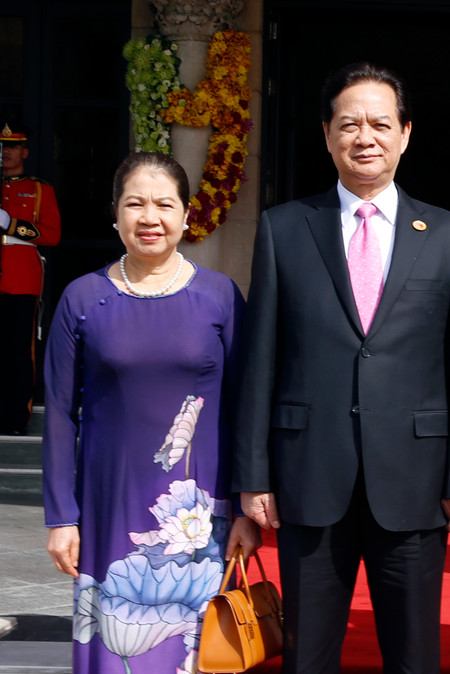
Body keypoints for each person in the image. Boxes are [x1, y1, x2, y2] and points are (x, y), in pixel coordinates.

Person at [233, 62, 450, 674]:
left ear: (406, 133)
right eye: (349, 124)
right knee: (307, 653)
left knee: (412, 653)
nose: (365, 137)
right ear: (326, 134)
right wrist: (252, 474)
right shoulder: (283, 229)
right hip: (307, 476)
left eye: (380, 123)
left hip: (414, 481)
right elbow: (260, 359)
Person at [42, 152, 260, 673]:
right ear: (115, 214)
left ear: (186, 216)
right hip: (106, 506)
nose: (150, 217)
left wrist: (246, 510)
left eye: (165, 204)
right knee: (116, 648)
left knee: (197, 653)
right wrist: (60, 516)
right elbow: (55, 411)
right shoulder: (83, 297)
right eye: (135, 203)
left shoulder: (220, 297)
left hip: (199, 513)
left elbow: (245, 407)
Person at [0, 122, 60, 434]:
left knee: (18, 349)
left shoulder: (39, 189)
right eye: (2, 146)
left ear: (24, 150)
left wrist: (11, 224)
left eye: (13, 146)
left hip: (20, 275)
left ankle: (14, 417)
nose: (6, 151)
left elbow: (52, 235)